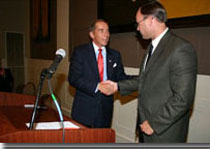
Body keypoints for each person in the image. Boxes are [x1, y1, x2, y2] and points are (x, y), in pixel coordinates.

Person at [100, 1, 198, 142]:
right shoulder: (151, 48)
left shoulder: (181, 49)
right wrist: (117, 86)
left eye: (138, 23)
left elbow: (183, 99)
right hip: (145, 126)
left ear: (151, 19)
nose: (138, 29)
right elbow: (144, 80)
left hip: (164, 132)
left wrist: (154, 123)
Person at [68, 19, 132, 128]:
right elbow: (73, 78)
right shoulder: (80, 52)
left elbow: (121, 77)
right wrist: (97, 86)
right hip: (84, 109)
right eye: (101, 31)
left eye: (108, 31)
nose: (106, 35)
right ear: (92, 34)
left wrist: (142, 78)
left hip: (105, 111)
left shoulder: (115, 55)